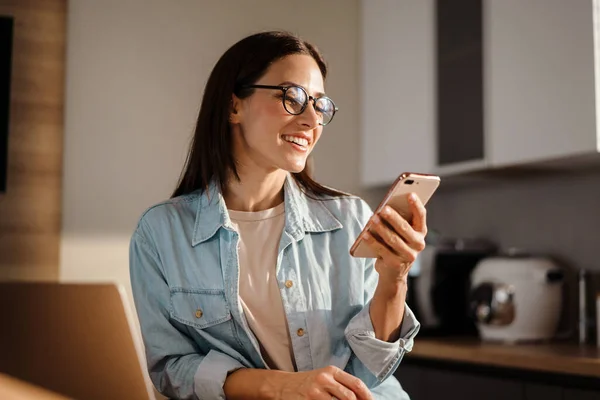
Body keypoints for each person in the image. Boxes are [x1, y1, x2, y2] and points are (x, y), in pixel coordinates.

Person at [130, 31, 427, 400]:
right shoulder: (161, 232)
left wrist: (394, 278)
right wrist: (282, 387)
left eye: (319, 105)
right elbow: (172, 369)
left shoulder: (349, 217)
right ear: (233, 106)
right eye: (292, 97)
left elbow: (372, 368)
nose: (311, 119)